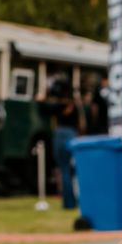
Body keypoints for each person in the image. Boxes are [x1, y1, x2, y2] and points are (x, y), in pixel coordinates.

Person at [50, 82, 82, 210]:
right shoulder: (76, 105)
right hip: (72, 135)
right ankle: (76, 200)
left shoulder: (57, 105)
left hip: (60, 134)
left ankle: (68, 203)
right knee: (74, 170)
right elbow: (82, 123)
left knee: (64, 170)